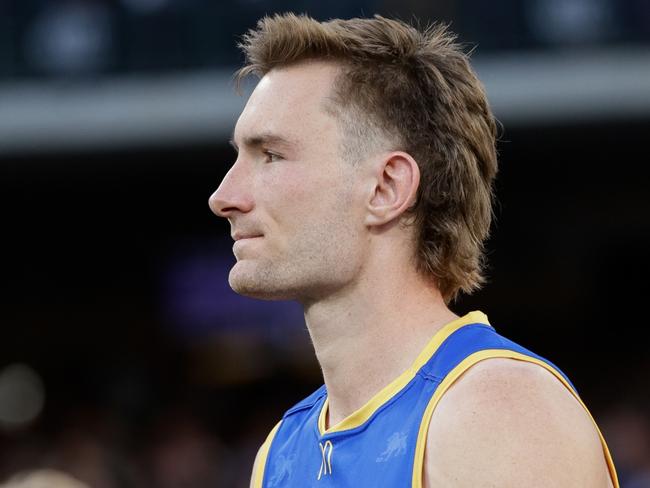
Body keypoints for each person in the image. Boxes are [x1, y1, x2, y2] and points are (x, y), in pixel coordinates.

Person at [209, 13, 619, 488]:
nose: (223, 197)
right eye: (237, 156)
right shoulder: (281, 449)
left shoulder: (495, 410)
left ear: (386, 188)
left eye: (271, 155)